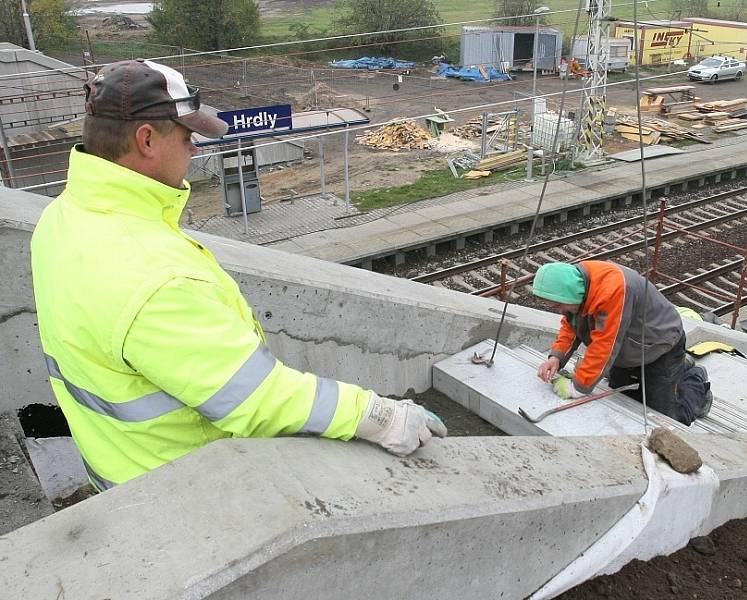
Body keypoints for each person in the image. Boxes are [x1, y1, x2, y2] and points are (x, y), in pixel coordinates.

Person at [30, 60, 446, 492]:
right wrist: (378, 416)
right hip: (189, 494)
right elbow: (254, 397)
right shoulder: (151, 275)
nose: (194, 150)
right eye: (187, 135)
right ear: (147, 139)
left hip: (121, 474)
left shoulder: (61, 219)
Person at [532, 261, 712, 426]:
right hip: (629, 347)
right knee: (624, 398)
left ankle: (695, 380)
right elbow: (572, 325)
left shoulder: (612, 290)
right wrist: (556, 357)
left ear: (571, 293)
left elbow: (605, 345)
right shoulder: (576, 284)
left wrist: (578, 388)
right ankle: (681, 365)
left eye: (557, 306)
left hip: (660, 346)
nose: (559, 311)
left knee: (666, 417)